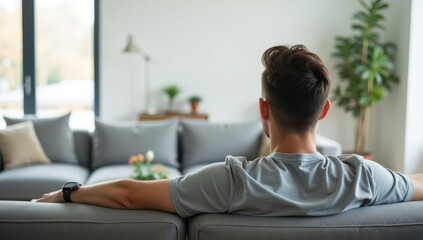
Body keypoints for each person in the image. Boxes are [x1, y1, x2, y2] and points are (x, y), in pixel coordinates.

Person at [34, 44, 423, 217]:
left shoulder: (232, 182)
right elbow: (416, 184)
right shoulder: (364, 178)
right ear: (324, 111)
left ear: (263, 109)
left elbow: (128, 195)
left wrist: (67, 194)